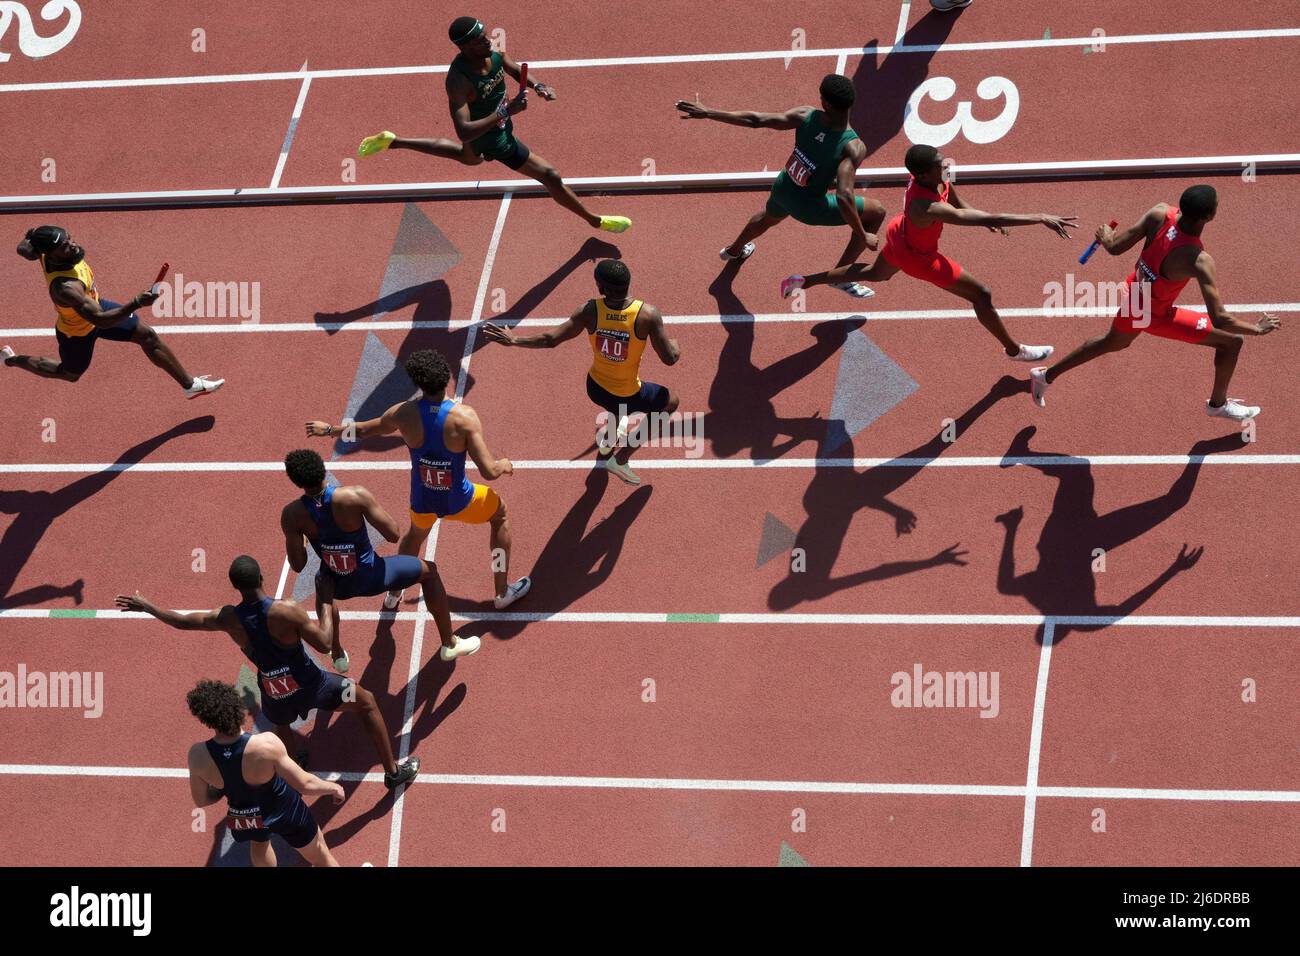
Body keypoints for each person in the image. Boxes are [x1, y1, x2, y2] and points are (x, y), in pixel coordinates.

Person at [116, 555, 422, 789]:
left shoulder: (228, 618)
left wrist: (148, 606)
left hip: (275, 693)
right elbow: (326, 643)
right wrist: (326, 603)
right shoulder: (286, 610)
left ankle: (298, 767)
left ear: (235, 587)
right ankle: (393, 774)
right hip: (314, 685)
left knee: (282, 725)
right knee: (366, 702)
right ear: (262, 576)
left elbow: (183, 622)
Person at [782, 144, 1077, 362]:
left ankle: (804, 281)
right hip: (920, 258)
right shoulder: (925, 206)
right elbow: (971, 218)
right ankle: (1014, 350)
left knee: (874, 274)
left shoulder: (935, 178)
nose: (944, 165)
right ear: (922, 174)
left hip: (900, 236)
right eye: (939, 164)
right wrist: (1038, 216)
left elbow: (962, 206)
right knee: (981, 295)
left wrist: (987, 221)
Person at [1028, 186, 1281, 421]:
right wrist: (1257, 329)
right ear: (1211, 216)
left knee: (1112, 342)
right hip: (1150, 314)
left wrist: (1106, 235)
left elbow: (1115, 247)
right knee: (1232, 341)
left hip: (1134, 294)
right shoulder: (1198, 260)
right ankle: (1217, 405)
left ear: (1180, 207)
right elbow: (1220, 318)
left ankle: (1045, 376)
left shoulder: (1160, 212)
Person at [357, 16, 630, 234]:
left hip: (496, 128)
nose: (488, 40)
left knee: (467, 158)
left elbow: (512, 69)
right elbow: (464, 129)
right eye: (480, 39)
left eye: (485, 33)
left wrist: (539, 86)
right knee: (550, 175)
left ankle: (394, 141)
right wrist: (505, 113)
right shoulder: (458, 80)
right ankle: (594, 220)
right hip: (490, 138)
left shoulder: (494, 53)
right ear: (464, 47)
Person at [305, 349, 529, 611]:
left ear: (418, 383)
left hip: (422, 501)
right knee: (499, 514)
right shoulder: (464, 418)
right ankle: (502, 592)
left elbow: (365, 430)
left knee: (414, 537)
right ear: (447, 377)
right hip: (461, 501)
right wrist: (503, 465)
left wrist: (331, 430)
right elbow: (488, 471)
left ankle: (394, 592)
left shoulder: (403, 414)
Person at [675, 74, 885, 297]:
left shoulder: (805, 115)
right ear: (852, 102)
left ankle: (734, 250)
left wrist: (709, 113)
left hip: (783, 188)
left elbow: (757, 120)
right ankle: (841, 277)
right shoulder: (853, 146)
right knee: (877, 211)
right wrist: (863, 235)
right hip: (810, 208)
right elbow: (844, 196)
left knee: (767, 217)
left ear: (825, 103)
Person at [482, 259, 680, 487]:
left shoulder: (591, 311)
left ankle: (609, 440)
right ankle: (621, 459)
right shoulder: (647, 315)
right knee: (671, 402)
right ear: (628, 283)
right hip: (627, 393)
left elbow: (551, 340)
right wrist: (675, 345)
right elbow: (670, 359)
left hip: (596, 387)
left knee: (616, 405)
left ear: (601, 288)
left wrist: (514, 339)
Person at [280, 449, 481, 660]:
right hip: (374, 576)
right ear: (322, 469)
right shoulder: (355, 496)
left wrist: (302, 536)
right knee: (430, 571)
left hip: (338, 586)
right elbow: (393, 534)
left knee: (323, 584)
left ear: (296, 481)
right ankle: (449, 643)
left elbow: (298, 564)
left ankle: (338, 654)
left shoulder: (292, 515)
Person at [2, 225, 224, 396]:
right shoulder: (66, 288)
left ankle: (190, 385)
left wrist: (30, 236)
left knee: (147, 335)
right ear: (51, 255)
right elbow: (101, 321)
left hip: (98, 306)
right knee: (70, 374)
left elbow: (24, 248)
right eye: (64, 247)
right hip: (79, 331)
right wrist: (137, 302)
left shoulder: (44, 252)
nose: (72, 244)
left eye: (69, 238)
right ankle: (11, 360)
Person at [184, 678, 343, 867]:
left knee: (259, 843)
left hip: (244, 816)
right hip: (285, 810)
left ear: (206, 719)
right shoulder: (266, 744)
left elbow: (201, 800)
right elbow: (305, 784)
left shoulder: (198, 755)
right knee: (320, 854)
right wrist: (333, 788)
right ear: (237, 707)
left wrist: (225, 787)